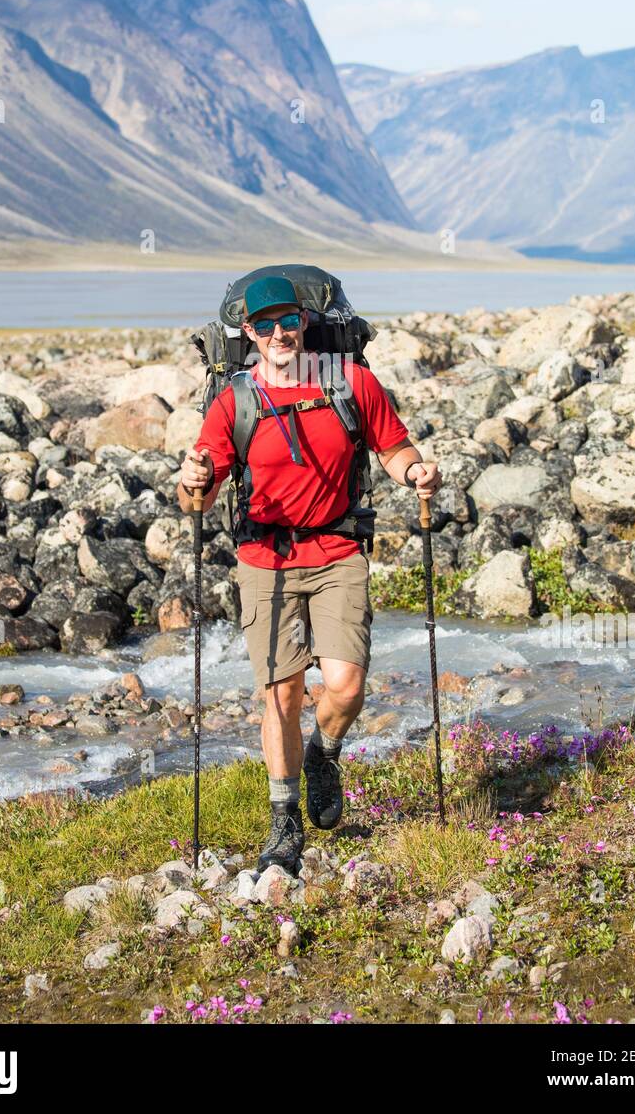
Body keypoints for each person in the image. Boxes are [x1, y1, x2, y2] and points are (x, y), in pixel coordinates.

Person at [176, 274, 441, 874]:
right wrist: (192, 482)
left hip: (338, 551)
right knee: (283, 693)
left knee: (345, 685)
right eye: (264, 326)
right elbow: (199, 490)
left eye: (287, 321)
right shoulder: (234, 401)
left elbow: (393, 447)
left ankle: (324, 752)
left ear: (303, 322)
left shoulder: (351, 384)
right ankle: (284, 821)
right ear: (249, 334)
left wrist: (416, 473)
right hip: (264, 561)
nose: (278, 333)